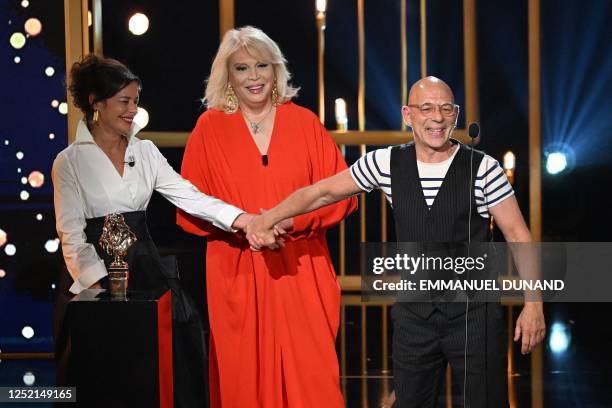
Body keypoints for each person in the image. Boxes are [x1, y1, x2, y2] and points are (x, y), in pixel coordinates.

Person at [246, 76, 546, 407]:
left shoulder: (483, 168)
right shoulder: (385, 163)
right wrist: (268, 217)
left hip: (473, 313)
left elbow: (518, 234)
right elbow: (322, 192)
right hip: (414, 316)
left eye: (446, 108)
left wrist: (534, 304)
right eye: (427, 108)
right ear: (408, 114)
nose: (437, 117)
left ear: (456, 115)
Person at [52, 54, 255, 408]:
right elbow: (71, 235)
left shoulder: (145, 151)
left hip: (147, 272)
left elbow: (189, 196)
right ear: (95, 103)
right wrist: (104, 294)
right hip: (96, 283)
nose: (133, 110)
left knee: (172, 358)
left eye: (136, 101)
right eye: (124, 102)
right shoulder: (68, 161)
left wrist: (243, 219)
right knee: (106, 377)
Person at [176, 26, 357, 407]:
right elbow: (190, 205)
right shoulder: (209, 129)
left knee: (313, 381)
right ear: (228, 75)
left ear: (276, 71)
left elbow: (340, 197)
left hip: (301, 266)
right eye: (242, 68)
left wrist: (288, 222)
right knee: (245, 383)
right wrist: (247, 227)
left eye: (262, 66)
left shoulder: (306, 123)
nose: (254, 77)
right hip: (236, 271)